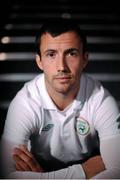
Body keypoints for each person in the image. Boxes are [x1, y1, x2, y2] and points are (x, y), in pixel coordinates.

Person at [0, 19, 120, 179]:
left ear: (85, 59)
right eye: (51, 54)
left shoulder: (101, 99)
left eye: (71, 53)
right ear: (39, 61)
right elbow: (6, 175)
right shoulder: (25, 102)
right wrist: (84, 171)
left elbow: (118, 170)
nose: (61, 66)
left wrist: (43, 177)